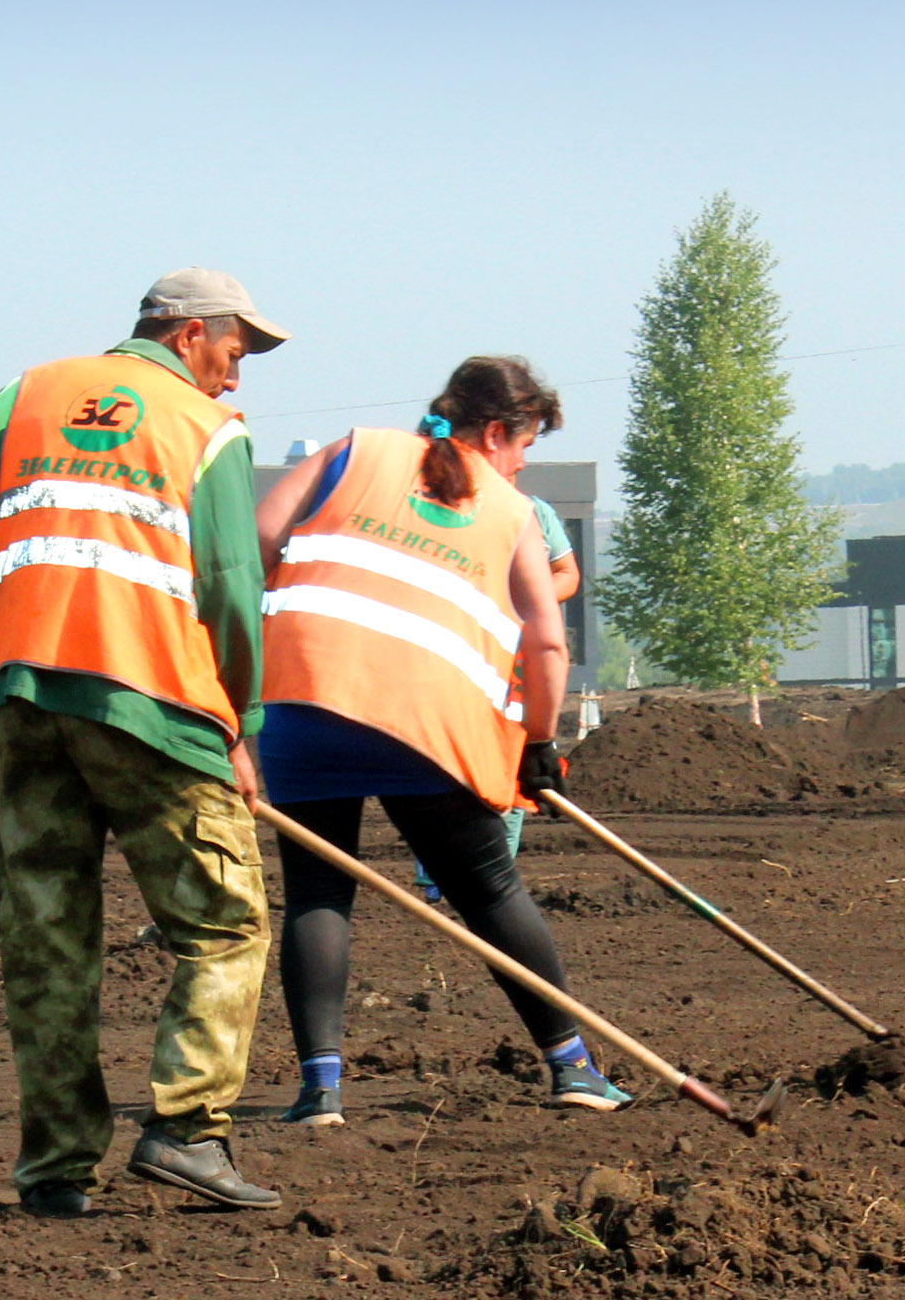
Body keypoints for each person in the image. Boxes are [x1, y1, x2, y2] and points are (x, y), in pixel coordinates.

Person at [0, 268, 290, 1218]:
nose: (235, 378)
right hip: (154, 710)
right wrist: (241, 726)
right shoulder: (206, 431)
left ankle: (53, 1170)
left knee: (48, 942)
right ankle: (188, 1132)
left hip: (30, 706)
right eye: (234, 354)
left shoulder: (24, 396)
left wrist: (9, 632)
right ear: (191, 333)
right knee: (225, 924)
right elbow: (233, 592)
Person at [255, 355, 634, 1127]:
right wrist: (538, 744)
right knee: (490, 889)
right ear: (495, 432)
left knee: (319, 892)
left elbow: (259, 536)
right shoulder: (510, 509)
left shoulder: (354, 449)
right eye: (524, 446)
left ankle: (320, 1091)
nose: (524, 463)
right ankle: (573, 1068)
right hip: (427, 721)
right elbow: (547, 645)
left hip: (303, 700)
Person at [413, 489, 579, 898]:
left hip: (515, 657)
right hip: (453, 648)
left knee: (511, 759)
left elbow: (567, 573)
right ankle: (436, 875)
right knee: (445, 756)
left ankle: (494, 871)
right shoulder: (428, 507)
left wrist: (520, 599)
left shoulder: (537, 510)